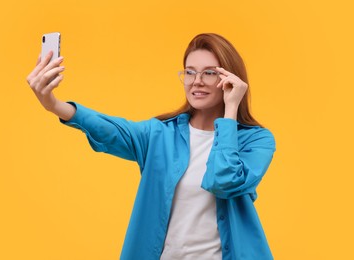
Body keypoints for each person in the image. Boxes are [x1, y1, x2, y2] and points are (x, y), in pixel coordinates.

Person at [26, 33, 276, 260]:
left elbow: (225, 180)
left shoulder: (256, 141)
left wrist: (231, 110)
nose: (196, 81)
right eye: (189, 72)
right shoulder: (159, 135)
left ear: (230, 79)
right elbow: (109, 128)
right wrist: (53, 104)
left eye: (209, 72)